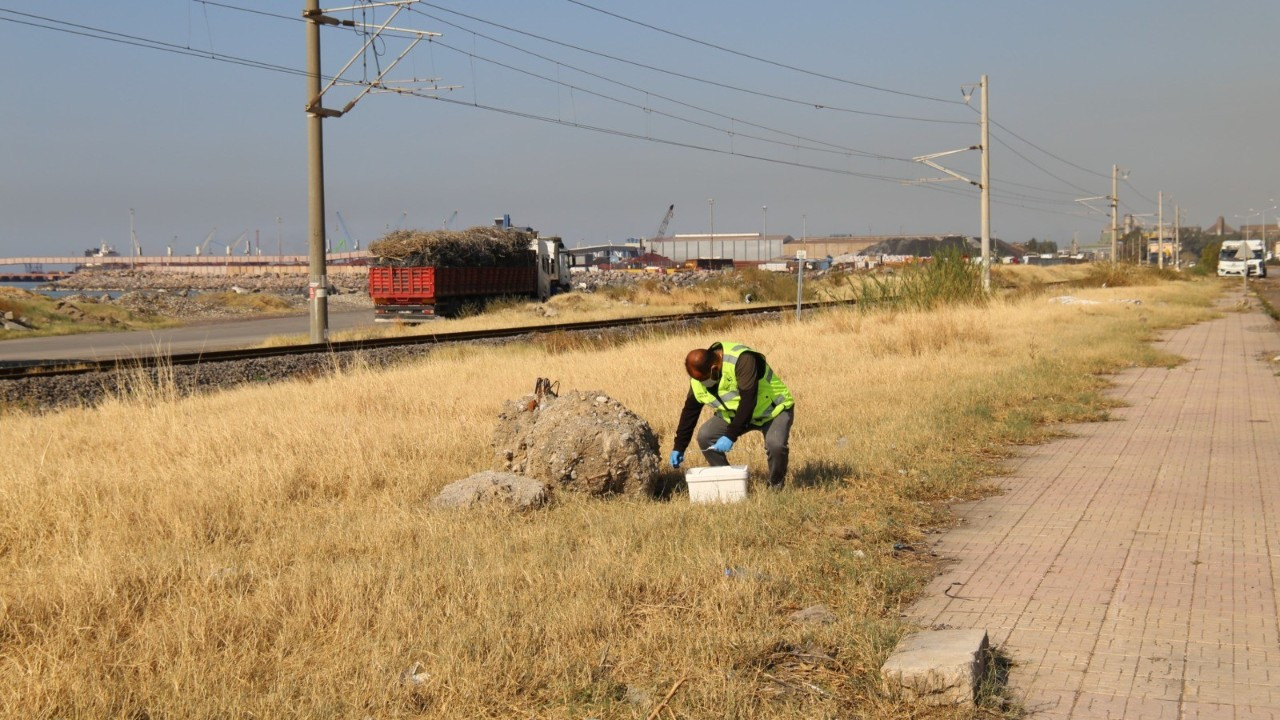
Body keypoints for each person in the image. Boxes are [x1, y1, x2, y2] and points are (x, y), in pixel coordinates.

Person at [668, 340, 795, 489]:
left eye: (704, 379)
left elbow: (748, 401)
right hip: (735, 414)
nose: (701, 383)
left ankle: (775, 486)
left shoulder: (743, 359)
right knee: (706, 436)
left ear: (715, 368)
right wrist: (679, 446)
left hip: (772, 410)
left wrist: (730, 435)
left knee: (776, 445)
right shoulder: (699, 377)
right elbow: (690, 411)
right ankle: (731, 484)